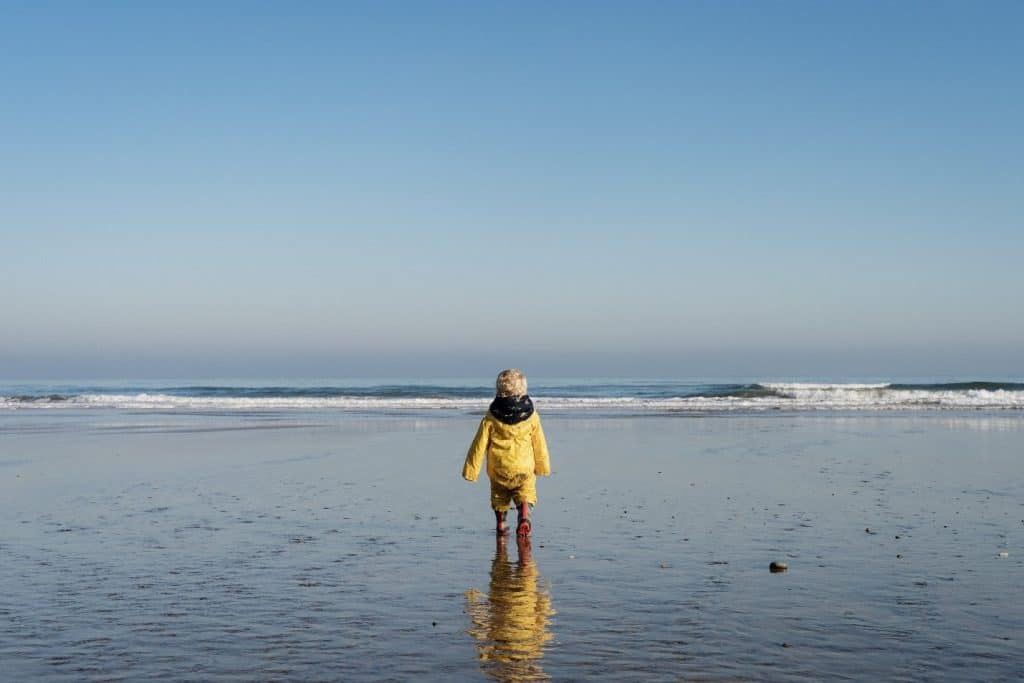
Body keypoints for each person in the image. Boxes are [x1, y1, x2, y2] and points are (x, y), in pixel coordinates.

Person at [462, 369, 551, 537]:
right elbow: (540, 443)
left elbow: (479, 444)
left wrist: (471, 470)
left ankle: (501, 524)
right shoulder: (532, 416)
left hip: (498, 467)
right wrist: (543, 467)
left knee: (499, 495)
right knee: (526, 491)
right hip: (524, 466)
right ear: (523, 389)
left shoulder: (491, 416)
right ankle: (524, 516)